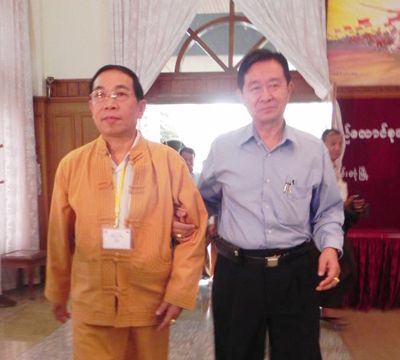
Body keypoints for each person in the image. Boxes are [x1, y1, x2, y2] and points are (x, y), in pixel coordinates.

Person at [176, 49, 345, 360]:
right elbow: (204, 204)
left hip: (294, 272)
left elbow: (328, 211)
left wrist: (331, 247)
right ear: (241, 95)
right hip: (237, 275)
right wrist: (183, 219)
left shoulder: (312, 151)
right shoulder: (223, 147)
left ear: (289, 88)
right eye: (255, 87)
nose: (265, 95)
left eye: (274, 84)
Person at [44, 65, 207, 360]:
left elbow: (194, 228)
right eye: (100, 95)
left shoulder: (168, 162)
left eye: (121, 94)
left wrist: (179, 291)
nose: (109, 102)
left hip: (150, 303)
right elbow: (59, 234)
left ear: (141, 107)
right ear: (91, 106)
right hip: (92, 301)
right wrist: (58, 289)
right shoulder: (72, 165)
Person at [320, 129, 368, 321]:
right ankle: (325, 311)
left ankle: (328, 311)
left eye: (340, 143)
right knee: (340, 268)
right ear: (322, 145)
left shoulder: (335, 169)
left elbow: (336, 205)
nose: (337, 148)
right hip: (319, 232)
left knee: (346, 269)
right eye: (333, 143)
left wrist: (349, 206)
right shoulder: (317, 169)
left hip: (337, 229)